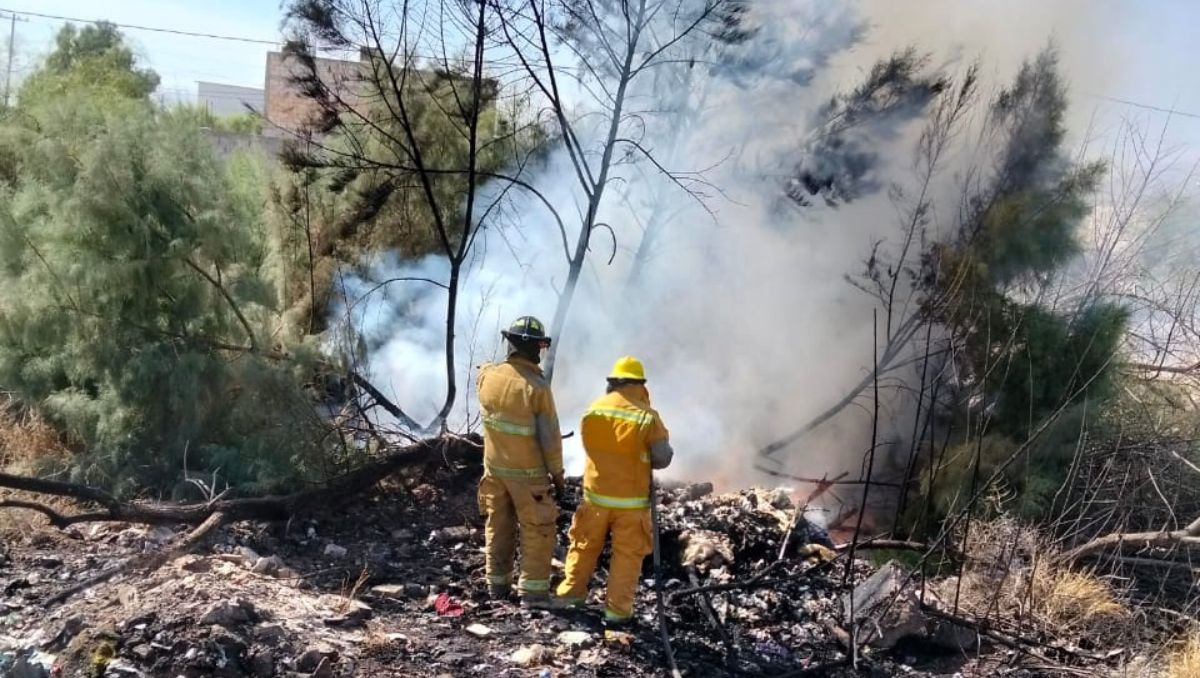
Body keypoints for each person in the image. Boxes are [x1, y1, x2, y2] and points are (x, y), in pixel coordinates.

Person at [555, 356, 673, 626]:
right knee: (626, 557)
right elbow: (662, 458)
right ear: (641, 385)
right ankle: (617, 612)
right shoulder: (647, 417)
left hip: (595, 498)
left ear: (612, 383)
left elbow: (590, 447)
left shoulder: (594, 410)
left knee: (583, 546)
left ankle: (570, 596)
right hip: (630, 505)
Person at [475, 315, 564, 607]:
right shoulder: (537, 388)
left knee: (498, 526)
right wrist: (559, 477)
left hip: (494, 471)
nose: (540, 353)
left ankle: (496, 586)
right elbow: (550, 439)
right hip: (528, 476)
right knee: (537, 530)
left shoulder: (489, 376)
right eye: (538, 347)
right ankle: (533, 592)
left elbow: (483, 372)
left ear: (510, 344)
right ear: (532, 349)